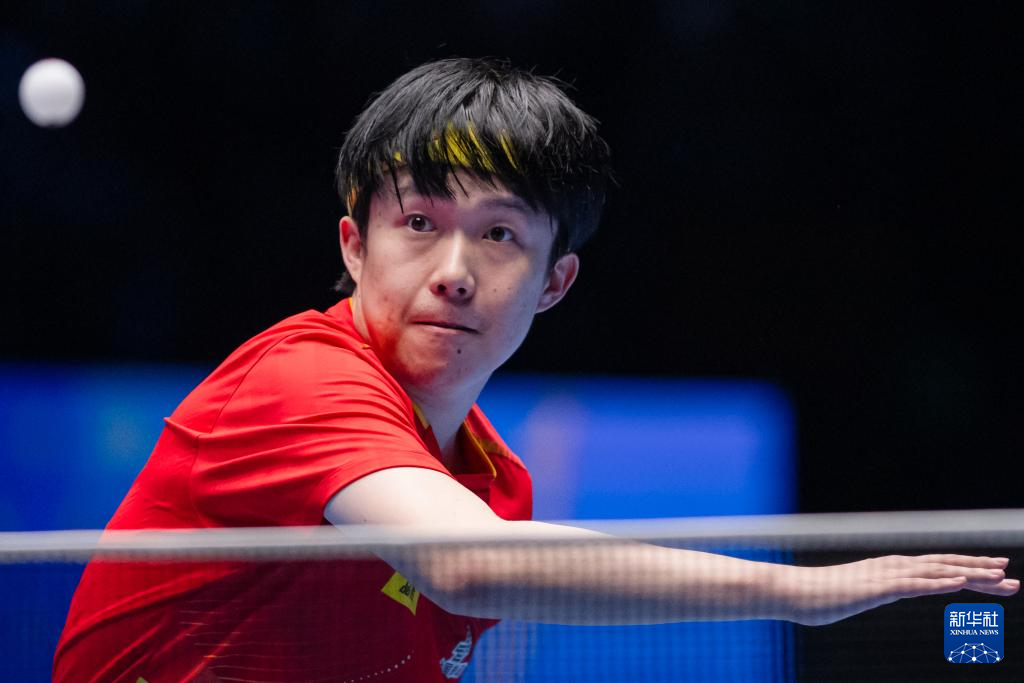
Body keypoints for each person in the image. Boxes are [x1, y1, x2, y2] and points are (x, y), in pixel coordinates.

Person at [53, 57, 1018, 682]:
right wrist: (801, 592)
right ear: (353, 245)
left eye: (500, 234)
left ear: (555, 281)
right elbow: (470, 564)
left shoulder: (491, 481)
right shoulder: (300, 379)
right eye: (418, 222)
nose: (454, 271)